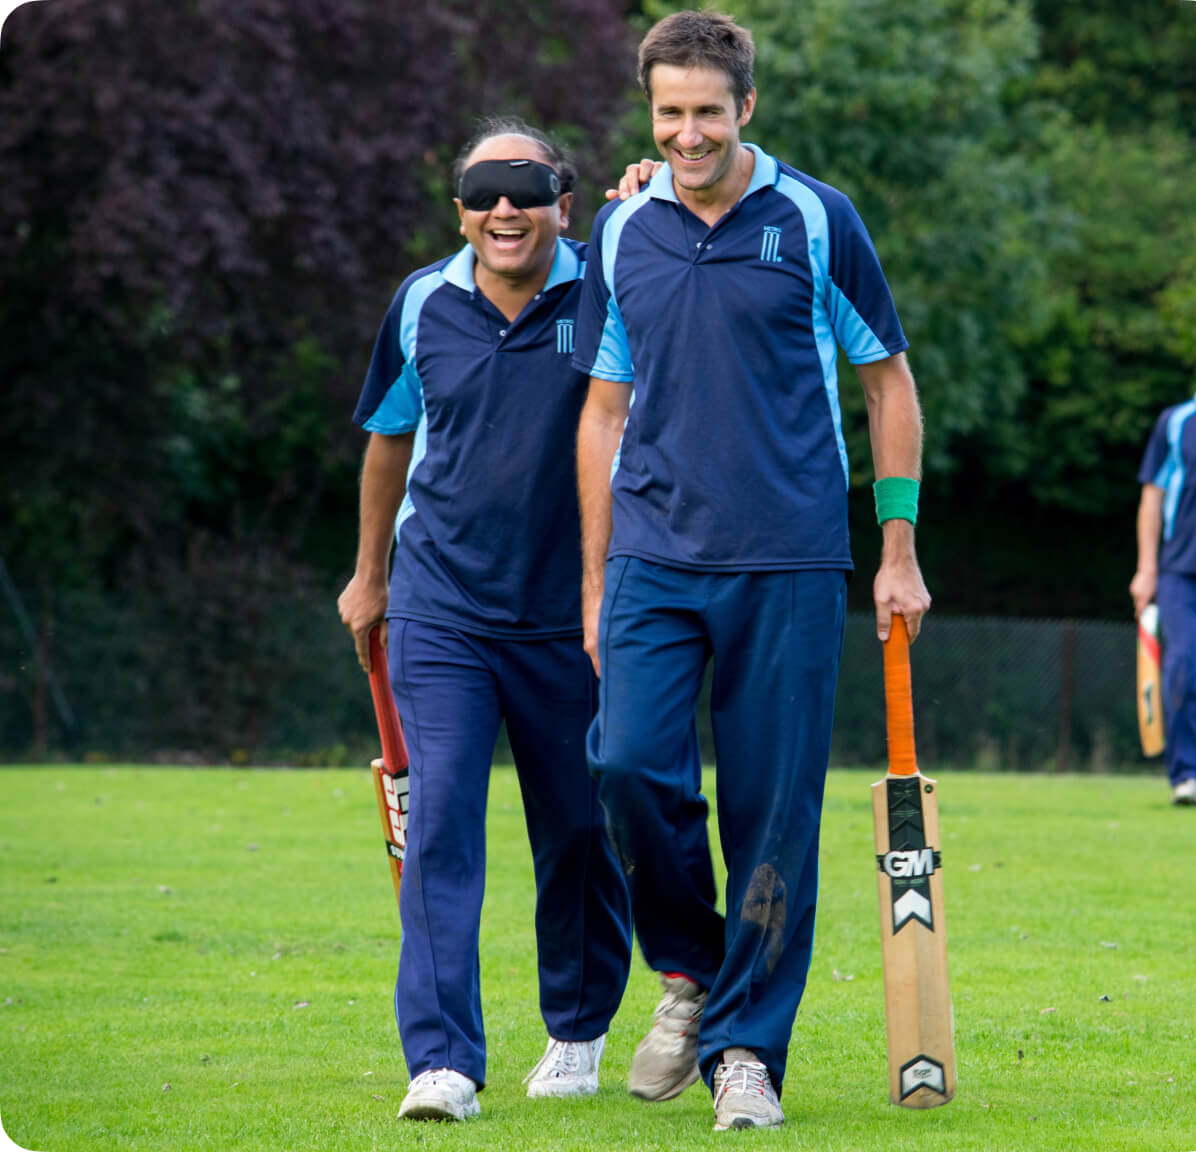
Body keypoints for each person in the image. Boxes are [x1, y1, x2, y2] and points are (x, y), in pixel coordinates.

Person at [572, 9, 930, 1133]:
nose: (687, 135)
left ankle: (746, 1054)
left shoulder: (820, 221)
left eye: (707, 114)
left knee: (773, 813)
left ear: (748, 109)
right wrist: (592, 579)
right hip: (653, 556)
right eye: (668, 114)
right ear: (650, 111)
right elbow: (599, 411)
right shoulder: (623, 231)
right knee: (626, 765)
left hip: (788, 555)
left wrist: (899, 551)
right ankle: (690, 970)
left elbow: (888, 387)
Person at [337, 117, 632, 1122]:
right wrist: (369, 575)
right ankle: (443, 1061)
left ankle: (580, 1031)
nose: (504, 208)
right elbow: (387, 440)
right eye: (482, 189)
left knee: (581, 830)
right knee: (443, 823)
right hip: (442, 609)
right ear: (459, 206)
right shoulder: (422, 302)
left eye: (526, 186)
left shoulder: (611, 283)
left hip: (577, 615)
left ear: (566, 199)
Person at [1130, 322, 1196, 810]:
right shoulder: (1177, 422)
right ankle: (1186, 777)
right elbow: (1152, 498)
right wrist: (1146, 570)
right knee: (1184, 671)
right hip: (1182, 574)